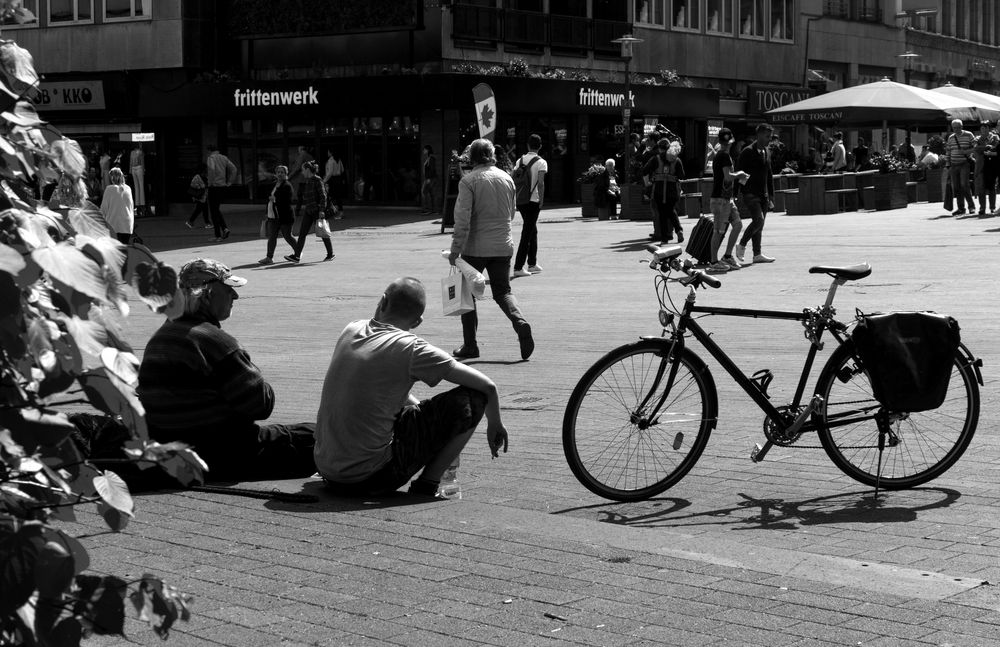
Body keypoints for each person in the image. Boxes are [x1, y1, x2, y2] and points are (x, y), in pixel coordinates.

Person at [313, 277, 509, 498]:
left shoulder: (351, 329)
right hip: (370, 478)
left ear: (383, 300)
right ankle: (428, 484)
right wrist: (495, 423)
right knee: (473, 398)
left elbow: (383, 389)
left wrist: (420, 413)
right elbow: (488, 387)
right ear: (418, 322)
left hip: (328, 470)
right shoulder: (411, 347)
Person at [136, 259, 316, 482]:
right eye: (228, 289)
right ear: (207, 293)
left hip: (172, 447)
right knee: (317, 437)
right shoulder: (212, 341)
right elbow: (261, 404)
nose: (235, 296)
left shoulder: (162, 336)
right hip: (220, 452)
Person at [448, 138, 534, 361]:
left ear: (472, 158)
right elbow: (512, 213)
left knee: (467, 293)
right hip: (503, 245)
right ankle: (520, 322)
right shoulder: (507, 178)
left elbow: (462, 219)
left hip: (474, 247)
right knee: (503, 291)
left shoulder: (469, 182)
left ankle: (470, 345)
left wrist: (455, 250)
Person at [734, 123, 776, 264]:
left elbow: (769, 175)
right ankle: (741, 245)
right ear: (758, 135)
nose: (769, 139)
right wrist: (736, 193)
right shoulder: (747, 152)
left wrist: (771, 195)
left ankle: (757, 254)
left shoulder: (767, 151)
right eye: (767, 136)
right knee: (759, 220)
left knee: (760, 225)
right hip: (750, 193)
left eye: (770, 136)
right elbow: (738, 172)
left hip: (763, 194)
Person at [708, 128, 748, 273]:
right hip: (720, 199)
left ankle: (727, 256)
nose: (727, 145)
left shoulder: (723, 154)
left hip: (726, 199)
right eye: (726, 143)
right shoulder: (723, 155)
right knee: (718, 231)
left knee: (737, 225)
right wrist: (741, 174)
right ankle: (713, 261)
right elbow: (728, 176)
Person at [511, 133, 548, 278]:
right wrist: (542, 199)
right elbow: (540, 183)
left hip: (521, 200)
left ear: (528, 145)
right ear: (540, 146)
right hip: (533, 200)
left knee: (532, 230)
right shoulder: (541, 162)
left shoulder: (520, 160)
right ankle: (518, 267)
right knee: (527, 233)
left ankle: (532, 263)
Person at [286, 161, 334, 263]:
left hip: (317, 211)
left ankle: (330, 254)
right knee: (302, 233)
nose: (302, 172)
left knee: (323, 232)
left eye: (303, 170)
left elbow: (323, 196)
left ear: (307, 170)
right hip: (309, 210)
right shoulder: (308, 180)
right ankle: (297, 256)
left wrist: (321, 210)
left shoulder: (317, 180)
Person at [642, 139, 686, 244]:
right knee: (671, 210)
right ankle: (678, 230)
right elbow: (681, 176)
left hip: (659, 189)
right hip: (672, 190)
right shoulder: (677, 160)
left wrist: (648, 182)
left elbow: (644, 170)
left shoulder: (656, 159)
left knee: (662, 213)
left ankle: (664, 238)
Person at [258, 165, 298, 265]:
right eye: (278, 172)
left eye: (282, 172)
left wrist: (275, 200)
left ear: (286, 174)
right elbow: (269, 199)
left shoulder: (287, 185)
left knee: (288, 236)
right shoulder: (274, 184)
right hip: (273, 216)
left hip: (285, 216)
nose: (280, 174)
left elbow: (287, 201)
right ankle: (269, 257)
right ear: (275, 173)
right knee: (272, 237)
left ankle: (298, 252)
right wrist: (266, 212)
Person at [206, 144, 237, 241]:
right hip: (222, 186)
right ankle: (224, 228)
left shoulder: (211, 158)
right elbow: (234, 169)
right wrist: (230, 182)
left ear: (209, 150)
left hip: (214, 187)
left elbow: (211, 170)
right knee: (216, 209)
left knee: (213, 211)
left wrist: (209, 183)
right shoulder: (224, 158)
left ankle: (218, 235)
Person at [946, 118, 976, 216]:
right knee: (957, 187)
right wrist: (948, 165)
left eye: (958, 127)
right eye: (954, 128)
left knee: (964, 185)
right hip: (954, 165)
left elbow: (976, 147)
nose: (956, 130)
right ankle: (961, 208)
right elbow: (948, 151)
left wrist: (966, 152)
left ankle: (971, 207)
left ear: (962, 127)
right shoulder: (951, 137)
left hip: (964, 163)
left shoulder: (969, 134)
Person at [100, 167, 134, 245]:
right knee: (124, 249)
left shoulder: (109, 189)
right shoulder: (128, 188)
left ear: (112, 178)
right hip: (127, 225)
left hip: (114, 225)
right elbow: (131, 207)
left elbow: (103, 209)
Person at [973, 122, 999, 216]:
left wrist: (984, 148)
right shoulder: (977, 138)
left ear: (989, 129)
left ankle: (992, 207)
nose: (983, 130)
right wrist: (986, 147)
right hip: (981, 165)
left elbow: (996, 148)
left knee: (992, 187)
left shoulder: (995, 137)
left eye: (985, 128)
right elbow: (975, 148)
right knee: (981, 188)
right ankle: (982, 208)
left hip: (992, 165)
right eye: (982, 129)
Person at [185, 163, 211, 229]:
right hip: (200, 196)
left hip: (203, 196)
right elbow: (193, 186)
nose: (207, 170)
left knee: (200, 210)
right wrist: (201, 187)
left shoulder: (205, 176)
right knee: (202, 210)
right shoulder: (197, 177)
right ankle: (207, 223)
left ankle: (191, 222)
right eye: (206, 169)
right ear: (203, 170)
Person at [421, 145, 438, 214]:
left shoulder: (431, 158)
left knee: (424, 192)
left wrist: (428, 178)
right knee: (432, 194)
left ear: (427, 150)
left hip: (430, 178)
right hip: (430, 178)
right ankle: (433, 210)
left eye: (424, 150)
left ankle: (427, 209)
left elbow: (432, 169)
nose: (423, 151)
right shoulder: (428, 158)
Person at [129, 143, 145, 217]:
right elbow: (131, 162)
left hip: (138, 167)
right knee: (137, 187)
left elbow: (142, 161)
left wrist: (143, 169)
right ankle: (138, 204)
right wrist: (130, 170)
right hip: (134, 168)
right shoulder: (133, 152)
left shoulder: (140, 152)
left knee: (140, 186)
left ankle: (141, 204)